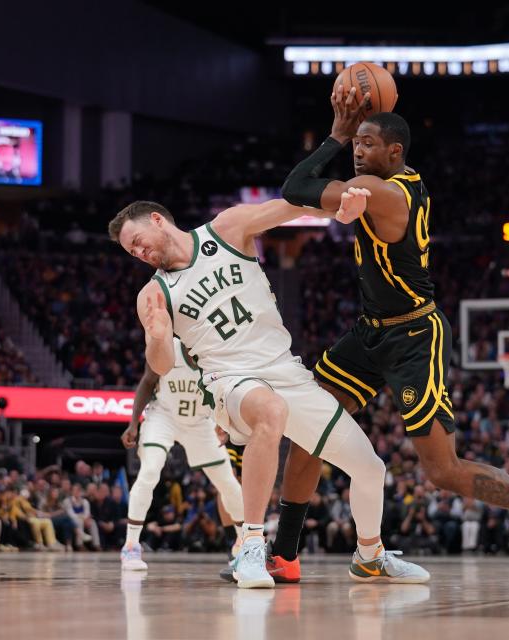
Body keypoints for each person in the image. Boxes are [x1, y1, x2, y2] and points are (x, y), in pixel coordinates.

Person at [275, 83, 509, 588]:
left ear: (395, 152)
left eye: (367, 143)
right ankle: (283, 556)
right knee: (308, 433)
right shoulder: (384, 182)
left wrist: (334, 134)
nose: (357, 151)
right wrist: (343, 141)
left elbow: (296, 187)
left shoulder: (386, 193)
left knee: (443, 470)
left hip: (415, 336)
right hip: (370, 332)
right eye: (355, 144)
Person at [108, 190, 428, 588]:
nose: (136, 252)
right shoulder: (154, 294)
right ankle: (252, 545)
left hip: (284, 370)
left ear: (157, 219)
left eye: (136, 241)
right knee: (271, 411)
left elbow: (289, 207)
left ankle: (370, 555)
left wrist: (340, 205)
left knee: (370, 468)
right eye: (130, 251)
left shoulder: (226, 228)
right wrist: (157, 338)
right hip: (228, 381)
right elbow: (161, 366)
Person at [119, 342, 245, 571]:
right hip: (163, 417)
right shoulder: (167, 348)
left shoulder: (216, 354)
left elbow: (227, 392)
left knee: (227, 481)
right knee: (149, 471)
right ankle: (131, 546)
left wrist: (224, 421)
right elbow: (147, 382)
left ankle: (244, 544)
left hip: (200, 422)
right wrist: (133, 424)